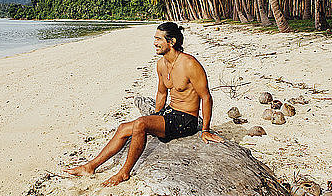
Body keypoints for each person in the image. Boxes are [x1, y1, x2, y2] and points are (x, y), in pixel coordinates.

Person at [64, 22, 223, 186]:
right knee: (124, 128)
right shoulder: (161, 64)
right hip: (170, 112)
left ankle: (124, 173)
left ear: (172, 42)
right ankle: (90, 166)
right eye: (155, 38)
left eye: (158, 39)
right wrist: (155, 117)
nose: (155, 43)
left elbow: (206, 97)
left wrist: (205, 130)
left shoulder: (189, 64)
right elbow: (162, 93)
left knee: (140, 124)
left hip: (186, 119)